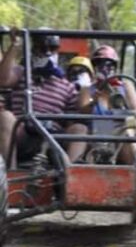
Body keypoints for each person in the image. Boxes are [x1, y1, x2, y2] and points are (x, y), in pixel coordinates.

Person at [0, 30, 90, 164]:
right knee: (5, 117)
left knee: (80, 128)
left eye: (52, 48)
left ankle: (70, 176)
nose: (47, 52)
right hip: (23, 134)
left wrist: (85, 87)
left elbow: (74, 120)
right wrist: (15, 44)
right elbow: (3, 80)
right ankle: (10, 174)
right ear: (33, 49)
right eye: (42, 47)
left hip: (53, 138)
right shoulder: (22, 73)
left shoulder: (67, 85)